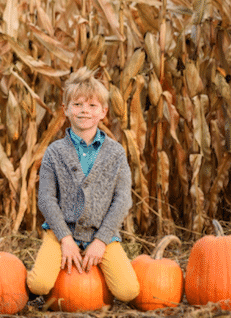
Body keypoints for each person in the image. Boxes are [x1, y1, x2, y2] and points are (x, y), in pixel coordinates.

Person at [26, 67, 140, 303]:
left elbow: (122, 199)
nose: (84, 111)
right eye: (77, 105)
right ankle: (34, 282)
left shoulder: (115, 153)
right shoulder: (54, 152)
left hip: (100, 233)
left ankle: (96, 277)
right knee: (39, 284)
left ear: (103, 112)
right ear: (65, 109)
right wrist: (65, 238)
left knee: (128, 291)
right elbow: (46, 199)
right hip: (61, 232)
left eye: (92, 106)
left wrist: (101, 240)